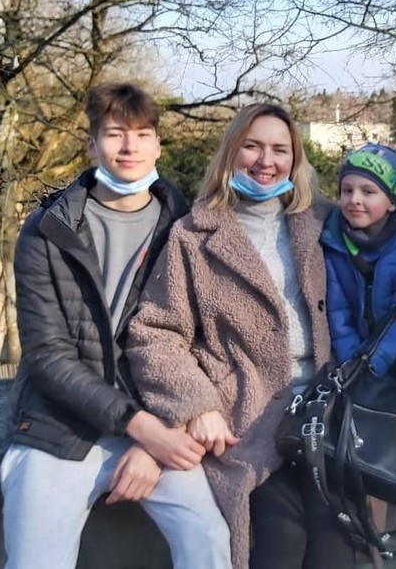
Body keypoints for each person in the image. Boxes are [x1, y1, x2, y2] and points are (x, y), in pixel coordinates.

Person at [0, 82, 231, 569]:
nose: (129, 147)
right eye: (114, 134)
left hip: (158, 419)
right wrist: (142, 428)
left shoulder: (185, 228)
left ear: (158, 145)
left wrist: (158, 437)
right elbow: (47, 357)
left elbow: (195, 340)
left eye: (143, 134)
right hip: (59, 424)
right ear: (91, 145)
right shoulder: (47, 231)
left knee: (209, 539)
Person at [126, 103, 354, 569]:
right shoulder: (194, 236)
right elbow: (155, 332)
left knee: (340, 547)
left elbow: (395, 227)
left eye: (279, 149)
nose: (265, 161)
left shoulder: (324, 221)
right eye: (252, 146)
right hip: (248, 422)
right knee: (278, 546)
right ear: (231, 153)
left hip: (328, 413)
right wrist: (197, 404)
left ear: (296, 159)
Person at [320, 143, 396, 376]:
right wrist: (352, 363)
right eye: (347, 190)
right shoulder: (333, 242)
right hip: (354, 363)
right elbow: (338, 313)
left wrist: (376, 362)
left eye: (368, 192)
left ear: (391, 201)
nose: (354, 199)